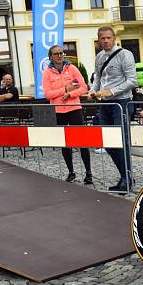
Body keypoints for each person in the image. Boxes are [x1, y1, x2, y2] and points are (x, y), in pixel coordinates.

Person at [88, 25, 137, 192]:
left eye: (108, 37)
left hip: (121, 103)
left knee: (122, 141)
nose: (106, 40)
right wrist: (93, 90)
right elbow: (98, 78)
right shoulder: (99, 57)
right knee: (108, 142)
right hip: (105, 104)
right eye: (102, 38)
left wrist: (110, 91)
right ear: (98, 40)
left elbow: (132, 81)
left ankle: (126, 179)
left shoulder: (125, 54)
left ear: (114, 38)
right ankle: (126, 176)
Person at [42, 45, 93, 185]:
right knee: (65, 143)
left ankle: (88, 173)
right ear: (50, 57)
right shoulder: (47, 73)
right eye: (56, 54)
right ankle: (71, 172)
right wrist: (65, 89)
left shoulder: (72, 69)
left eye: (61, 53)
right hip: (58, 111)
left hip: (74, 109)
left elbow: (83, 87)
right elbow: (47, 94)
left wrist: (70, 94)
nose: (59, 55)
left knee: (82, 141)